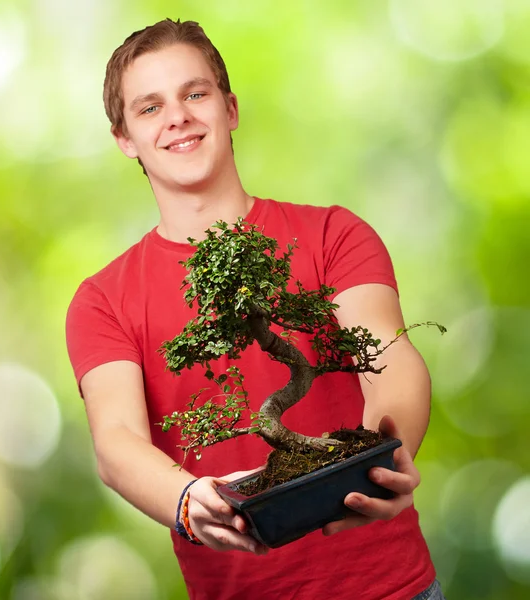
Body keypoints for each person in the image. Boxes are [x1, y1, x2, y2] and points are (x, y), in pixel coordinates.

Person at [66, 18, 446, 600]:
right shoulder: (103, 300)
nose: (178, 117)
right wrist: (189, 500)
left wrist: (380, 458)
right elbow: (116, 440)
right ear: (124, 139)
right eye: (149, 107)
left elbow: (389, 356)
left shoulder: (331, 235)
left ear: (230, 108)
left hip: (391, 588)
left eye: (195, 94)